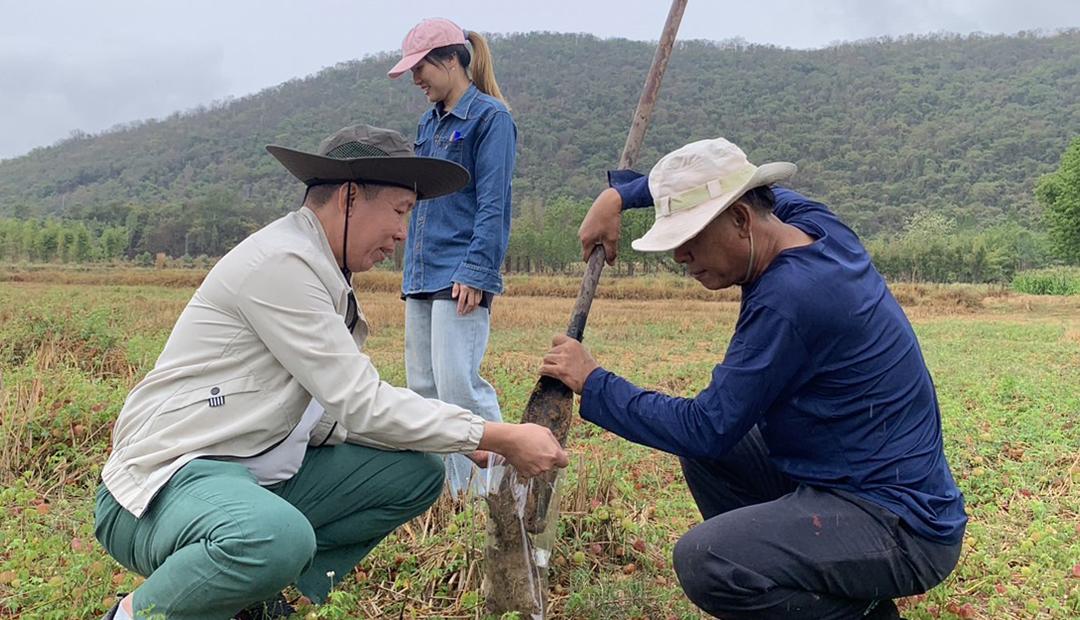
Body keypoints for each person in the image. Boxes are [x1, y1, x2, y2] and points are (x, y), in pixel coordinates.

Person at [95, 124, 567, 620]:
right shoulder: (282, 264)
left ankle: (247, 598)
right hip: (162, 486)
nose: (404, 234)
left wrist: (462, 441)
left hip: (242, 477)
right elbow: (360, 401)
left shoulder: (325, 274)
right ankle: (133, 614)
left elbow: (330, 418)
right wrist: (494, 434)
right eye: (400, 212)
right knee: (276, 538)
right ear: (348, 198)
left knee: (416, 472)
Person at [541, 137, 966, 620]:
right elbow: (733, 180)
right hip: (841, 476)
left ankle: (861, 611)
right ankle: (804, 577)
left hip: (901, 525)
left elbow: (706, 425)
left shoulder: (790, 299)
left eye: (690, 238)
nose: (680, 257)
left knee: (708, 561)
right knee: (715, 457)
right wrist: (620, 196)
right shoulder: (812, 226)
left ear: (741, 220)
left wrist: (593, 381)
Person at [387, 18, 517, 495]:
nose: (417, 80)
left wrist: (478, 269)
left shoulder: (490, 118)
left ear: (450, 60)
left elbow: (494, 203)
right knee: (423, 390)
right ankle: (451, 497)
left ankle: (500, 492)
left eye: (421, 69)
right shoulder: (429, 123)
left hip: (461, 269)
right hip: (421, 270)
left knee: (459, 386)